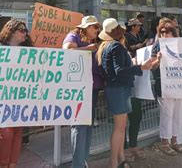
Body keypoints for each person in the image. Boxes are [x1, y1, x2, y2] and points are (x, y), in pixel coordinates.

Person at [97, 18, 153, 168]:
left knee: (120, 128)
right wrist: (140, 67)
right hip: (119, 89)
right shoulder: (116, 47)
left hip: (115, 89)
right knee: (119, 128)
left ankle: (120, 159)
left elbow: (116, 70)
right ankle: (114, 163)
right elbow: (120, 71)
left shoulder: (106, 46)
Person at [0, 19, 29, 168]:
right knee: (6, 132)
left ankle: (13, 165)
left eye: (25, 31)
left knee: (17, 132)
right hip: (4, 97)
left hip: (21, 97)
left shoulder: (28, 51)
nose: (25, 33)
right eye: (22, 30)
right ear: (11, 31)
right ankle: (4, 165)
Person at [62, 16, 103, 168]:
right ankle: (77, 164)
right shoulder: (74, 36)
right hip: (78, 88)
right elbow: (67, 51)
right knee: (79, 125)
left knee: (88, 124)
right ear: (85, 27)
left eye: (97, 27)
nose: (96, 30)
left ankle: (82, 160)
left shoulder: (93, 40)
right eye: (93, 27)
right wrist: (88, 49)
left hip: (92, 86)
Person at [151, 19, 182, 156]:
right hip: (163, 84)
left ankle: (175, 140)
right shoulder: (157, 46)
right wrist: (158, 60)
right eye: (161, 32)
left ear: (173, 33)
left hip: (179, 84)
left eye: (167, 32)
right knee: (166, 115)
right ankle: (164, 142)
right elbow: (152, 66)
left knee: (176, 115)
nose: (164, 34)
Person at [123, 18, 147, 161]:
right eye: (137, 25)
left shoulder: (138, 36)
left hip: (132, 86)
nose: (139, 27)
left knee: (136, 115)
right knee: (122, 122)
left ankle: (133, 145)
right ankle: (125, 149)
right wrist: (136, 67)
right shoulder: (117, 47)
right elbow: (120, 70)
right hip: (122, 89)